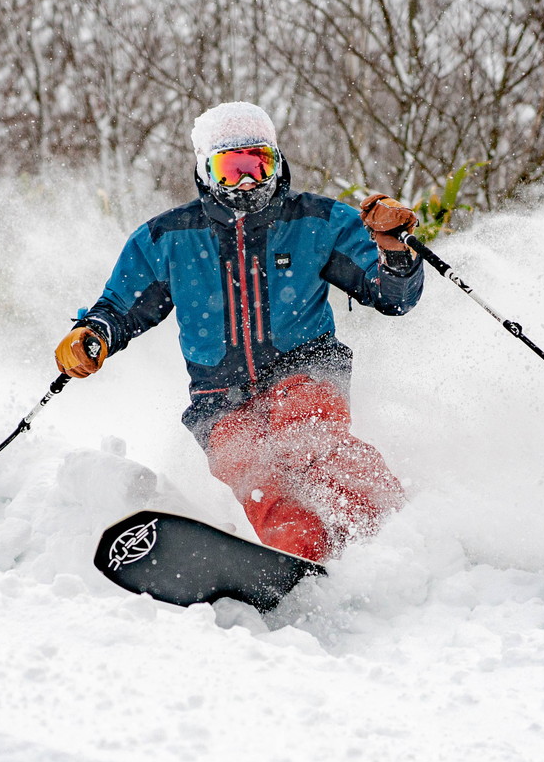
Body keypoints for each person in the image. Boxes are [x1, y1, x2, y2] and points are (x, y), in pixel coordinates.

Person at [54, 101, 423, 562]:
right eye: (232, 168)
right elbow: (121, 307)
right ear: (206, 171)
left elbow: (393, 297)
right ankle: (305, 559)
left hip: (305, 370)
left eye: (258, 164)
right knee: (253, 474)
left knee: (308, 436)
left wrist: (397, 254)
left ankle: (392, 535)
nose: (248, 181)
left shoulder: (318, 222)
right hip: (219, 395)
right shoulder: (169, 238)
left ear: (276, 161)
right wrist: (95, 334)